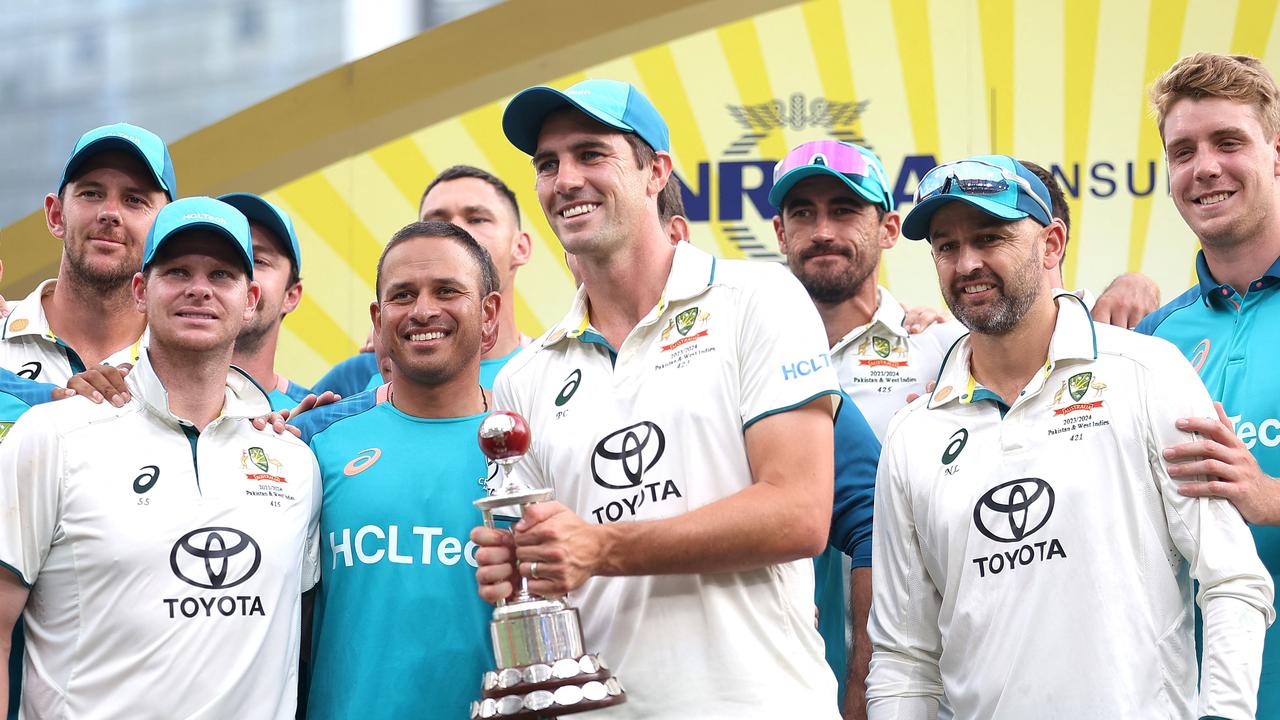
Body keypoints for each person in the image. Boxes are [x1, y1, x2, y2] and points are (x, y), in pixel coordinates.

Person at [470, 78, 844, 719]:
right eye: (548, 164)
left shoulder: (759, 299)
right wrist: (517, 569)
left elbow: (800, 513)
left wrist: (601, 548)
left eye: (591, 154)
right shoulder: (524, 377)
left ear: (655, 172)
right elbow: (554, 567)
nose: (565, 180)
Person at [865, 153, 1273, 719]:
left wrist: (1223, 715)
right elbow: (905, 658)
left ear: (1052, 244)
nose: (967, 264)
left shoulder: (1147, 372)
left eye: (990, 237)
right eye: (946, 246)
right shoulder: (913, 433)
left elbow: (1233, 581)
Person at [0, 196, 320, 718]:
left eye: (221, 273)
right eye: (177, 271)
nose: (199, 289)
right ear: (140, 291)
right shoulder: (53, 436)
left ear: (251, 298)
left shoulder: (294, 462)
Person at [769, 139, 962, 719]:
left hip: (925, 680)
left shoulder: (944, 348)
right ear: (780, 233)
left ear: (889, 228)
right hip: (781, 674)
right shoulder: (743, 360)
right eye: (802, 212)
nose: (822, 229)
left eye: (845, 210)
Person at [292, 221, 499, 719]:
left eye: (447, 291)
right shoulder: (316, 444)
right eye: (403, 295)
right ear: (378, 316)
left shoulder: (529, 447)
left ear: (489, 314)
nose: (424, 310)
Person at [1136, 51, 1280, 715]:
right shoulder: (1154, 340)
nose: (1205, 168)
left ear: (1276, 153)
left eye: (1229, 142)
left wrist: (1268, 495)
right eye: (1183, 150)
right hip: (1195, 699)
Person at [312, 165, 533, 397]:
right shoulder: (359, 375)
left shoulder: (553, 367)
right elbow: (289, 425)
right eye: (437, 223)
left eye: (477, 219)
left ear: (520, 247)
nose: (456, 230)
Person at [0, 123, 174, 384]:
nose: (110, 213)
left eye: (134, 199)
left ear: (166, 229)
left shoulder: (194, 367)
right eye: (91, 193)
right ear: (56, 215)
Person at [220, 193, 311, 411]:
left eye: (259, 261)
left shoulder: (313, 422)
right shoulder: (132, 399)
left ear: (291, 296)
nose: (241, 275)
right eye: (226, 258)